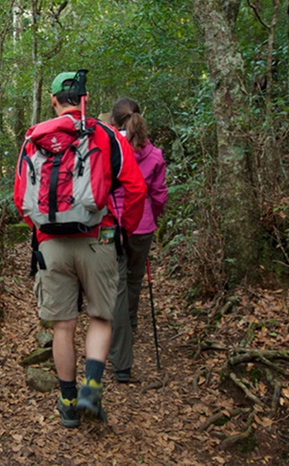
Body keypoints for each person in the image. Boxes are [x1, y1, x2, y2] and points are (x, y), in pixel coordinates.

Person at [14, 72, 146, 428]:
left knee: (63, 326)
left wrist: (45, 231)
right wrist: (124, 231)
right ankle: (91, 386)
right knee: (101, 317)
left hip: (50, 245)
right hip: (97, 238)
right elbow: (136, 189)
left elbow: (20, 198)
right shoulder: (106, 135)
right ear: (84, 98)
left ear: (54, 101)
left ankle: (68, 402)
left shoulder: (34, 137)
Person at [106, 97, 168, 384]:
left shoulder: (108, 149)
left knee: (117, 286)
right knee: (133, 280)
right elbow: (158, 195)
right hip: (142, 226)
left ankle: (120, 354)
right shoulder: (154, 153)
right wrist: (150, 218)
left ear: (115, 122)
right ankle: (129, 325)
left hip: (115, 226)